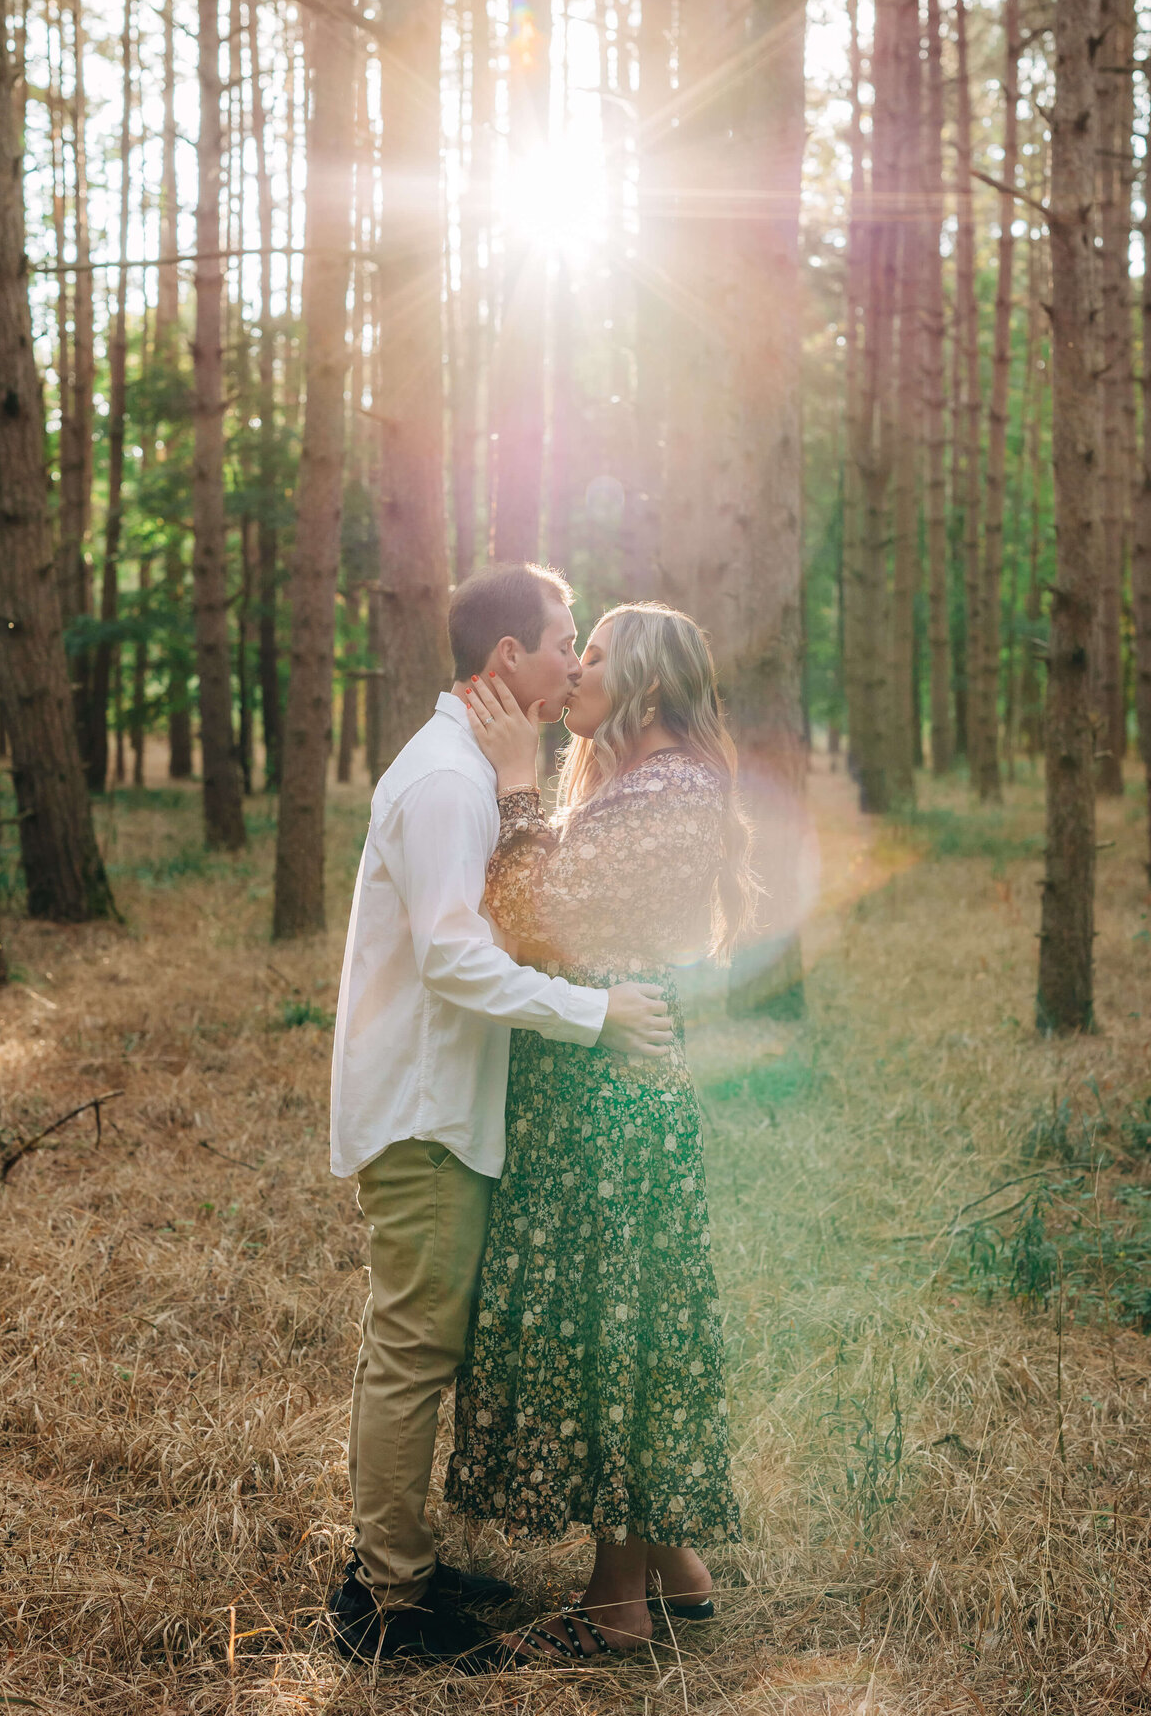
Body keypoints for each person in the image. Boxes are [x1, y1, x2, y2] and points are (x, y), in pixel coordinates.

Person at [327, 563, 674, 1672]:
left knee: (424, 1345)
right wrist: (596, 1013)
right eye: (564, 638)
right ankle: (388, 1600)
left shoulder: (473, 769)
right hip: (426, 1113)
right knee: (414, 1353)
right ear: (505, 660)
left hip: (448, 1106)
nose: (576, 658)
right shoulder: (447, 784)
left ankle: (403, 1562)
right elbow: (455, 960)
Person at [445, 602, 752, 1665]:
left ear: (650, 687)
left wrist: (516, 782)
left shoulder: (673, 787)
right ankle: (677, 1567)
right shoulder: (632, 781)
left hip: (613, 1101)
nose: (574, 666)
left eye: (598, 654)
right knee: (627, 1318)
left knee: (613, 1326)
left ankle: (615, 1601)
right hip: (588, 1081)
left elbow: (543, 919)